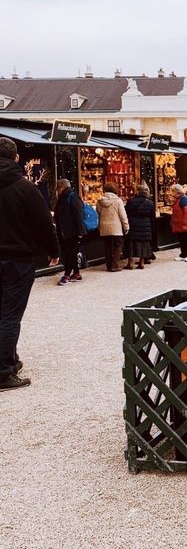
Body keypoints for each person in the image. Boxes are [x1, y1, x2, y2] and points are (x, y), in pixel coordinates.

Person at [0, 137, 59, 392]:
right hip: (17, 259)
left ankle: (10, 361)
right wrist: (53, 250)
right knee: (10, 316)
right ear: (15, 158)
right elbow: (43, 223)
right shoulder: (24, 188)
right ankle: (3, 372)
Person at [54, 178, 86, 283]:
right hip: (67, 231)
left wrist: (79, 232)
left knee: (70, 253)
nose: (57, 191)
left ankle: (67, 274)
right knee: (72, 252)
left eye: (57, 188)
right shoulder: (65, 197)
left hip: (71, 231)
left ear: (62, 187)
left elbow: (78, 215)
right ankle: (76, 273)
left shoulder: (71, 197)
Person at [96, 182, 129, 272]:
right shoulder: (118, 201)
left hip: (104, 226)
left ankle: (108, 265)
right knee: (117, 246)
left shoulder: (99, 201)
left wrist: (99, 226)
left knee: (107, 246)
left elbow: (98, 214)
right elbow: (123, 215)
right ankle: (115, 265)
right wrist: (126, 226)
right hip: (116, 227)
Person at [124, 184, 155, 269]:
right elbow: (152, 216)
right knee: (143, 244)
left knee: (131, 243)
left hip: (133, 225)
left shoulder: (131, 201)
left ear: (137, 192)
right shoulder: (150, 203)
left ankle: (130, 263)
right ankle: (141, 262)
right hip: (145, 225)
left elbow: (126, 213)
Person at [170, 183, 187, 262]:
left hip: (185, 225)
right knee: (182, 240)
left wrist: (184, 223)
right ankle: (183, 254)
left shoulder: (184, 199)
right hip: (180, 225)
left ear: (177, 192)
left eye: (173, 191)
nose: (171, 193)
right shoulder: (179, 199)